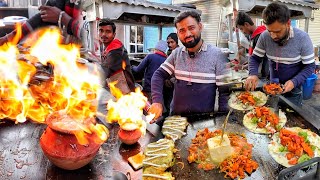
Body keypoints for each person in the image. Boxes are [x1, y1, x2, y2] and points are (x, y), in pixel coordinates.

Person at [149, 10, 229, 122]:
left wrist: (222, 120)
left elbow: (224, 92)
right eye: (182, 30)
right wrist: (157, 101)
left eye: (191, 28)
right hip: (175, 121)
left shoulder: (216, 55)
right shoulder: (176, 54)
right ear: (178, 34)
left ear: (200, 27)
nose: (187, 34)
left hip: (203, 124)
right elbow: (158, 75)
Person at [245, 2, 315, 106]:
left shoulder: (303, 38)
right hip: (272, 86)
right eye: (270, 31)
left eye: (277, 31)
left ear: (288, 23)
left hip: (294, 89)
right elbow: (255, 58)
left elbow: (310, 66)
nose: (273, 36)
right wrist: (252, 74)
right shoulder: (264, 36)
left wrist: (294, 82)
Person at [0, 0, 86, 46]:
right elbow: (43, 16)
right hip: (67, 55)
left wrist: (62, 17)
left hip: (91, 62)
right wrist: (11, 37)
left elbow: (90, 34)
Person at [98, 19, 135, 94]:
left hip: (126, 91)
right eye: (101, 31)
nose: (103, 34)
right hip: (117, 89)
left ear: (114, 34)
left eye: (108, 31)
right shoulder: (105, 47)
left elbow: (104, 70)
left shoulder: (116, 49)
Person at [235, 12, 268, 79]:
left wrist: (244, 66)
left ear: (246, 24)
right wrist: (248, 63)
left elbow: (259, 59)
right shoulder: (253, 36)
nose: (242, 32)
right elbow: (255, 56)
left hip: (261, 74)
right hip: (257, 73)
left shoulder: (260, 37)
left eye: (241, 28)